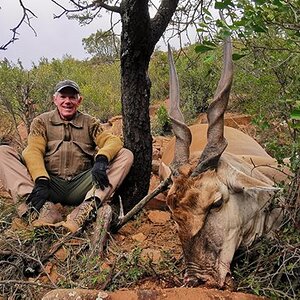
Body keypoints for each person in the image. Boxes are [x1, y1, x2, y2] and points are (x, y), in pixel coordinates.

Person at [0, 79, 133, 233]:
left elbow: (112, 141)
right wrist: (41, 180)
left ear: (79, 100)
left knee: (126, 154)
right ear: (54, 99)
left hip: (81, 185)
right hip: (49, 184)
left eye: (72, 97)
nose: (67, 101)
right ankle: (38, 208)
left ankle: (86, 209)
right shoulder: (41, 122)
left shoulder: (90, 123)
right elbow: (33, 150)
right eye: (63, 97)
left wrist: (102, 159)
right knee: (3, 152)